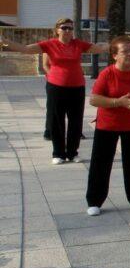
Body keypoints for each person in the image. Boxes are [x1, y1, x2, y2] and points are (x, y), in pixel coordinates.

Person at [0, 18, 109, 164]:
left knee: (75, 121)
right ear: (57, 30)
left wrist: (118, 44)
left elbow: (99, 48)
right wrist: (5, 42)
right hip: (56, 87)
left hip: (77, 87)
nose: (68, 31)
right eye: (64, 28)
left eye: (70, 28)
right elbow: (26, 49)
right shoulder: (50, 44)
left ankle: (72, 153)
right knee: (57, 121)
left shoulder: (78, 44)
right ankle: (58, 153)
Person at [86, 36, 130, 216]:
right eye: (124, 51)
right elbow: (94, 99)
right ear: (114, 55)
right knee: (101, 163)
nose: (129, 54)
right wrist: (118, 102)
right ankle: (95, 201)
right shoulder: (107, 74)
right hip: (108, 125)